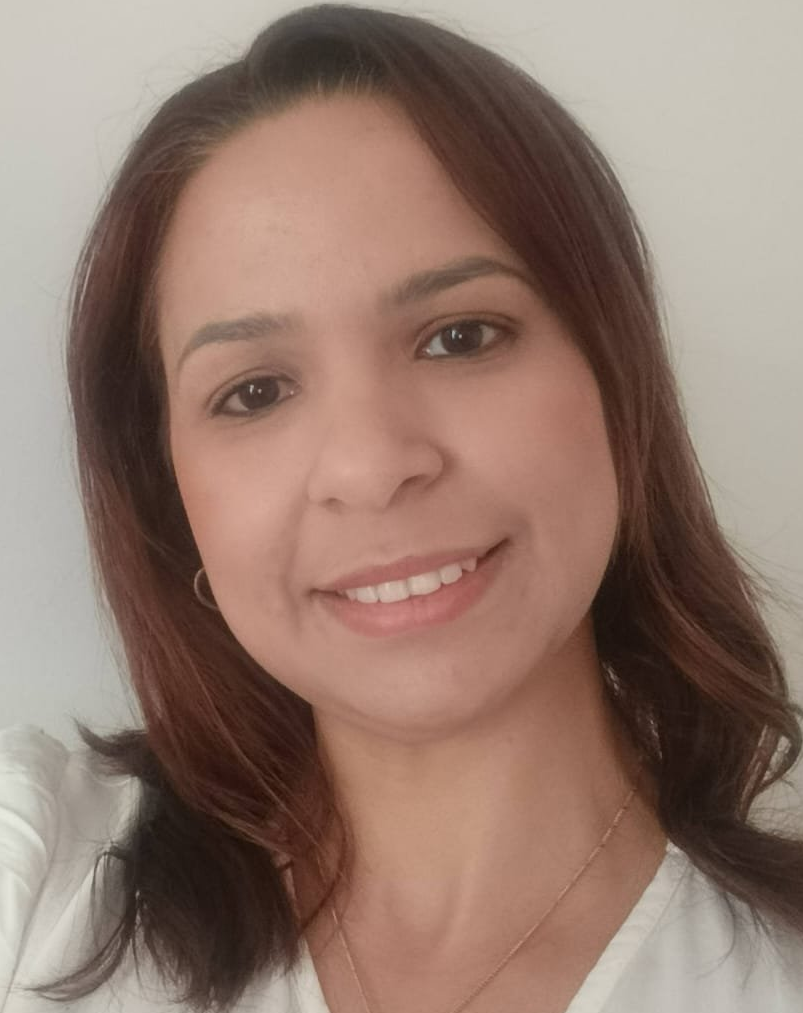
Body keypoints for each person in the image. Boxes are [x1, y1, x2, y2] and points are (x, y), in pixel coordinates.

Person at [1, 4, 802, 1012]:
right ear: (171, 495)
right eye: (255, 391)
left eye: (459, 336)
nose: (372, 466)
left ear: (616, 374)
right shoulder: (41, 873)